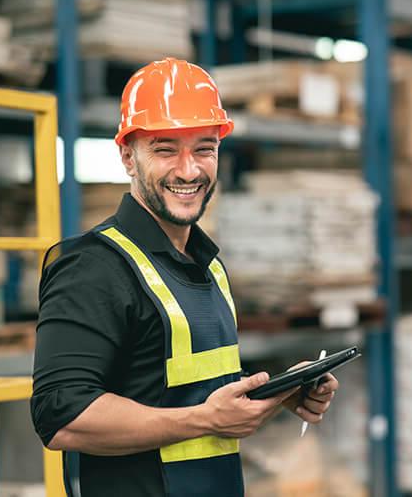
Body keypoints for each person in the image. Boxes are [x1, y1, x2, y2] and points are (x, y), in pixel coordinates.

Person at [30, 57, 339, 497]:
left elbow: (189, 389)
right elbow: (60, 416)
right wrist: (204, 419)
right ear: (127, 157)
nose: (189, 170)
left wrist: (279, 394)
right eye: (165, 149)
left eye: (204, 148)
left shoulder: (208, 265)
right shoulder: (93, 266)